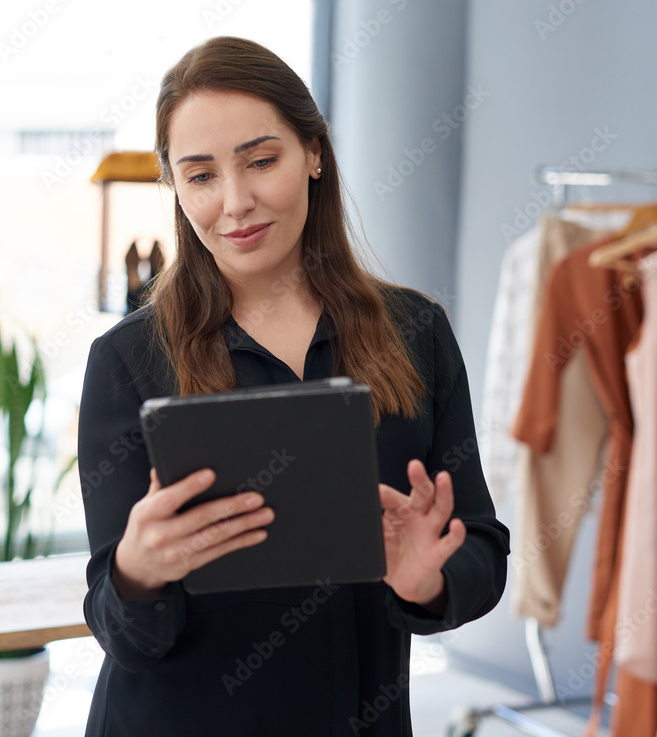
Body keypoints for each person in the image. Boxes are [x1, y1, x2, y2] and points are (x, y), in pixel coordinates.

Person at [77, 36, 509, 736]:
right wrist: (136, 569)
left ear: (313, 152)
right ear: (175, 187)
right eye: (201, 175)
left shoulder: (417, 333)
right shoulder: (128, 359)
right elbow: (120, 631)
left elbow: (483, 553)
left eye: (261, 160)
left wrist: (424, 576)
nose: (235, 202)